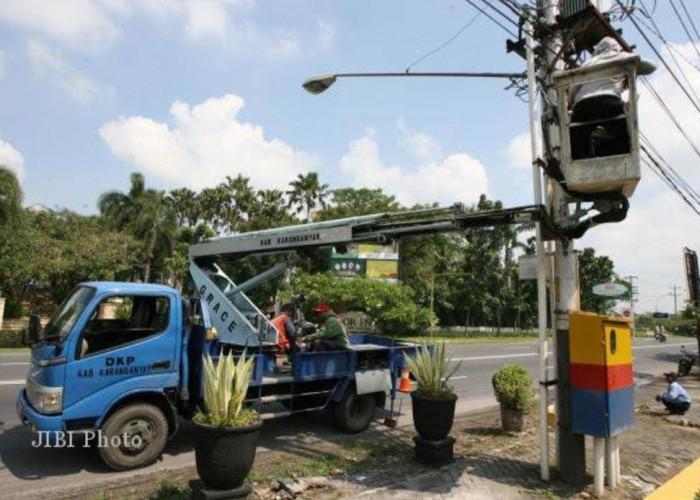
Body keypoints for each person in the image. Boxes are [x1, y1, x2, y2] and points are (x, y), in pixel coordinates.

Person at [569, 37, 656, 159]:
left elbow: (573, 89)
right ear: (616, 49)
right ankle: (622, 158)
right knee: (623, 138)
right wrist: (638, 67)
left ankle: (584, 161)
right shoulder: (623, 57)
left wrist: (571, 104)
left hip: (583, 106)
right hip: (609, 103)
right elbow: (651, 66)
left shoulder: (588, 63)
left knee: (577, 140)